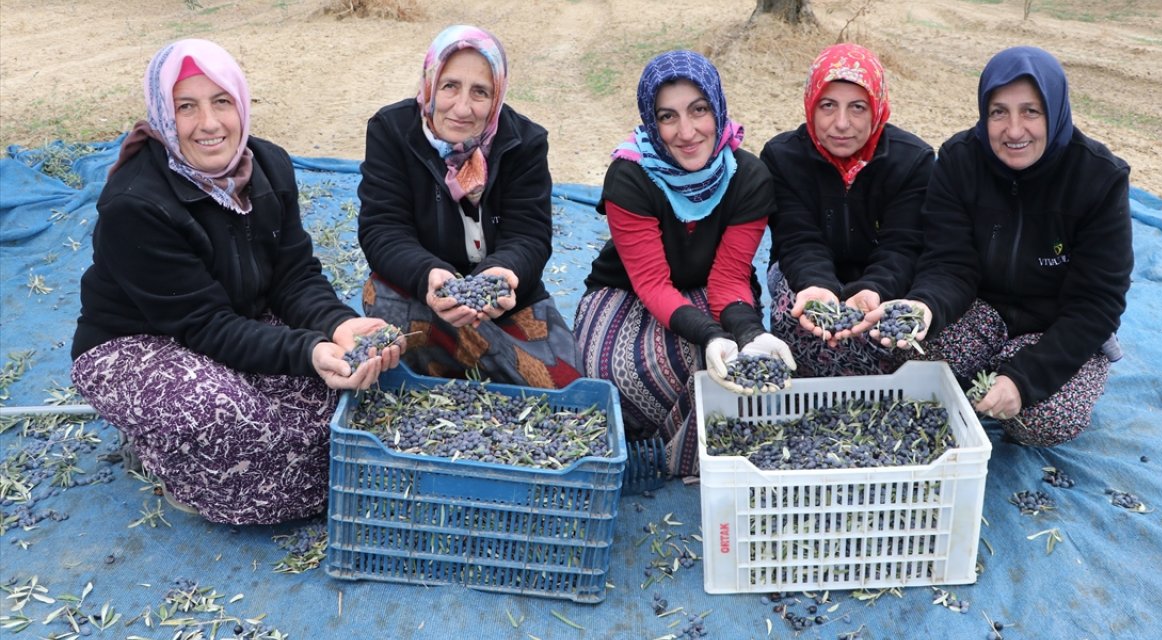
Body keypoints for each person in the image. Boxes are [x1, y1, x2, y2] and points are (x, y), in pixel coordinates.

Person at [70, 39, 402, 525]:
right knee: (227, 422)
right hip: (137, 343)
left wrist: (338, 327)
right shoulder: (135, 206)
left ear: (241, 104)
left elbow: (294, 275)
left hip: (234, 319)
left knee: (349, 400)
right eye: (186, 107)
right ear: (164, 114)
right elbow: (203, 324)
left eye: (221, 101)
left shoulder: (268, 166)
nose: (208, 124)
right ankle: (157, 450)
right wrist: (307, 351)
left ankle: (204, 433)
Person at [864, 46, 1133, 446]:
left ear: (1055, 111)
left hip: (1056, 324)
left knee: (1042, 419)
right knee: (911, 365)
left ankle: (1019, 370)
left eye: (1030, 111)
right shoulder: (959, 161)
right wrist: (925, 306)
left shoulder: (1097, 178)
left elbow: (1097, 303)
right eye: (998, 112)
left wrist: (1023, 379)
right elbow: (949, 263)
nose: (1013, 130)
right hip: (981, 309)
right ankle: (987, 365)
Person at [574, 50, 794, 476]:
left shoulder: (748, 178)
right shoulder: (631, 176)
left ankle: (681, 453)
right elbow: (652, 283)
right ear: (652, 123)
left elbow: (728, 279)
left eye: (699, 110)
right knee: (612, 368)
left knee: (719, 366)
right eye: (668, 117)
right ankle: (645, 441)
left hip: (713, 290)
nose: (687, 132)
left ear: (717, 108)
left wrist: (748, 334)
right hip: (628, 289)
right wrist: (711, 335)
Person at [357, 25, 580, 389]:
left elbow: (530, 236)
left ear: (497, 97)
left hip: (509, 303)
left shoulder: (524, 142)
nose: (462, 108)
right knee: (383, 302)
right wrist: (430, 275)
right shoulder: (392, 130)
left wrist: (502, 274)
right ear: (430, 84)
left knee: (566, 384)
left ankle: (463, 363)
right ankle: (489, 365)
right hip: (424, 298)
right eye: (449, 86)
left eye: (480, 92)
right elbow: (383, 230)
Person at [761, 43, 934, 377]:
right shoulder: (782, 157)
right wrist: (816, 284)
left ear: (877, 108)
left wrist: (874, 290)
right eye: (828, 106)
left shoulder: (912, 161)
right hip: (809, 275)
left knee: (893, 333)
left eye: (857, 107)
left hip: (883, 279)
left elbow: (903, 247)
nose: (841, 123)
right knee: (790, 310)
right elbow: (797, 238)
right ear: (810, 106)